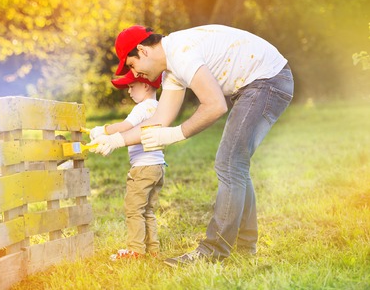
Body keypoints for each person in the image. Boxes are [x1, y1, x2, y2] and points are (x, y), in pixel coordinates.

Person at [89, 24, 294, 267]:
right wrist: (115, 140)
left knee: (229, 163)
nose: (136, 74)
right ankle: (244, 247)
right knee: (234, 164)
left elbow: (215, 105)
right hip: (261, 83)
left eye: (132, 65)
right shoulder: (172, 70)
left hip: (267, 80)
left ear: (143, 50)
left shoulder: (180, 53)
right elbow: (158, 120)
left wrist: (176, 134)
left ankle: (212, 252)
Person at [90, 70, 166, 261]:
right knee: (148, 210)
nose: (129, 91)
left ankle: (135, 250)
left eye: (132, 86)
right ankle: (152, 249)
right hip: (158, 167)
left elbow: (125, 127)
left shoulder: (142, 108)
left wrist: (103, 130)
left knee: (133, 210)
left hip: (142, 168)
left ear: (146, 85)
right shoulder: (159, 108)